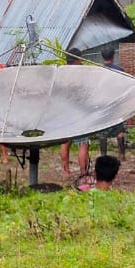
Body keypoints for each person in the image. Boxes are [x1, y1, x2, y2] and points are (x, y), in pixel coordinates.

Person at [60, 48, 92, 179]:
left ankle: (66, 171)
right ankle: (83, 172)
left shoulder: (61, 73)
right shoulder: (80, 74)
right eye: (81, 58)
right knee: (83, 143)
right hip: (79, 112)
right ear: (77, 59)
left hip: (64, 111)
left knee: (65, 142)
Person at [101, 45, 128, 159]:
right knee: (119, 129)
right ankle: (122, 154)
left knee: (103, 131)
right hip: (117, 104)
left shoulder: (99, 70)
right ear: (113, 56)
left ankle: (103, 155)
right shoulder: (120, 70)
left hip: (103, 104)